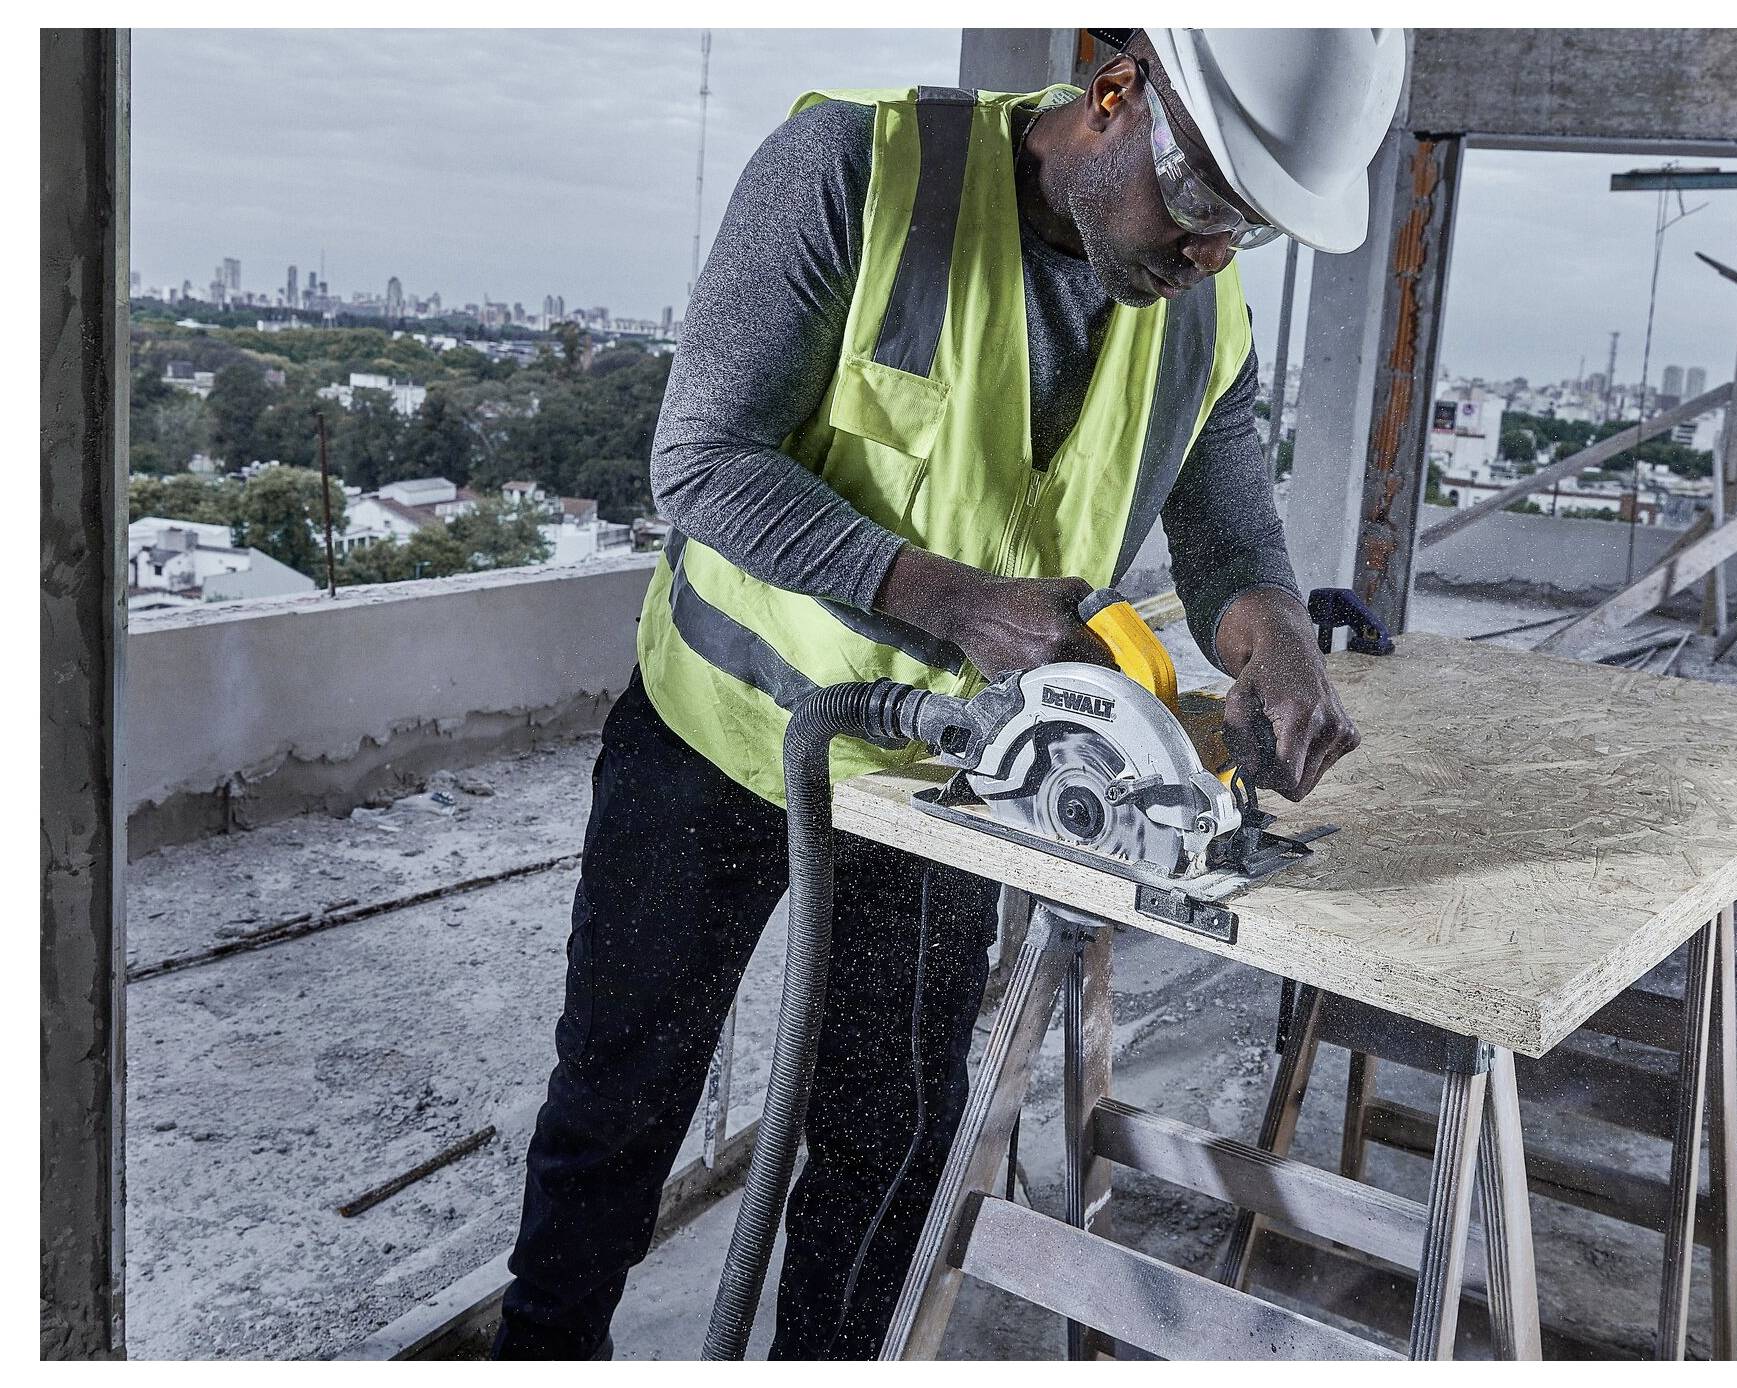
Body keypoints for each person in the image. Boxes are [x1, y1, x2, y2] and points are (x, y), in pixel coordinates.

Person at [493, 27, 1406, 1359]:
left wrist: (1279, 649)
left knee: (890, 1141)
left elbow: (1232, 548)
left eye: (1248, 230)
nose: (1210, 254)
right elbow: (699, 460)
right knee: (618, 1108)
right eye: (1205, 201)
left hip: (943, 790)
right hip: (717, 741)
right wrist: (954, 600)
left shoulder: (1196, 309)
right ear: (1112, 92)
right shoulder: (854, 176)